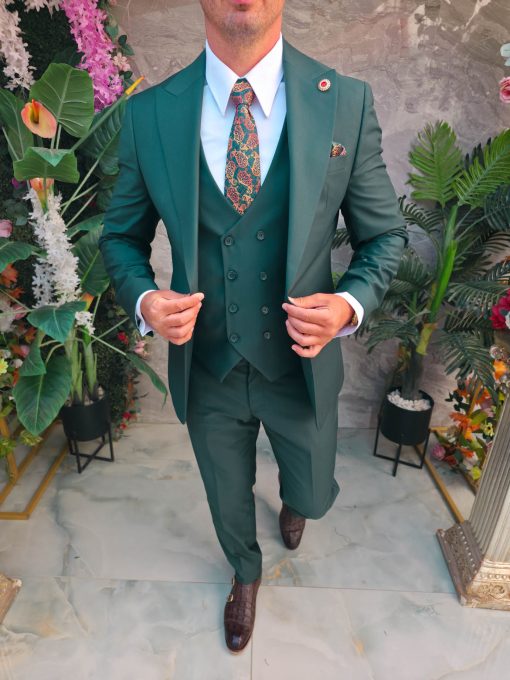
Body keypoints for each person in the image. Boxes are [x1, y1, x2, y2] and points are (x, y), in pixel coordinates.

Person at [98, 0, 408, 654]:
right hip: (206, 361)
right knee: (225, 494)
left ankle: (297, 499)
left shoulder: (345, 102)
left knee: (315, 496)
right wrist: (145, 300)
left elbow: (384, 236)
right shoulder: (151, 114)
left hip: (300, 364)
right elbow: (121, 237)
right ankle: (244, 571)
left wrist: (348, 306)